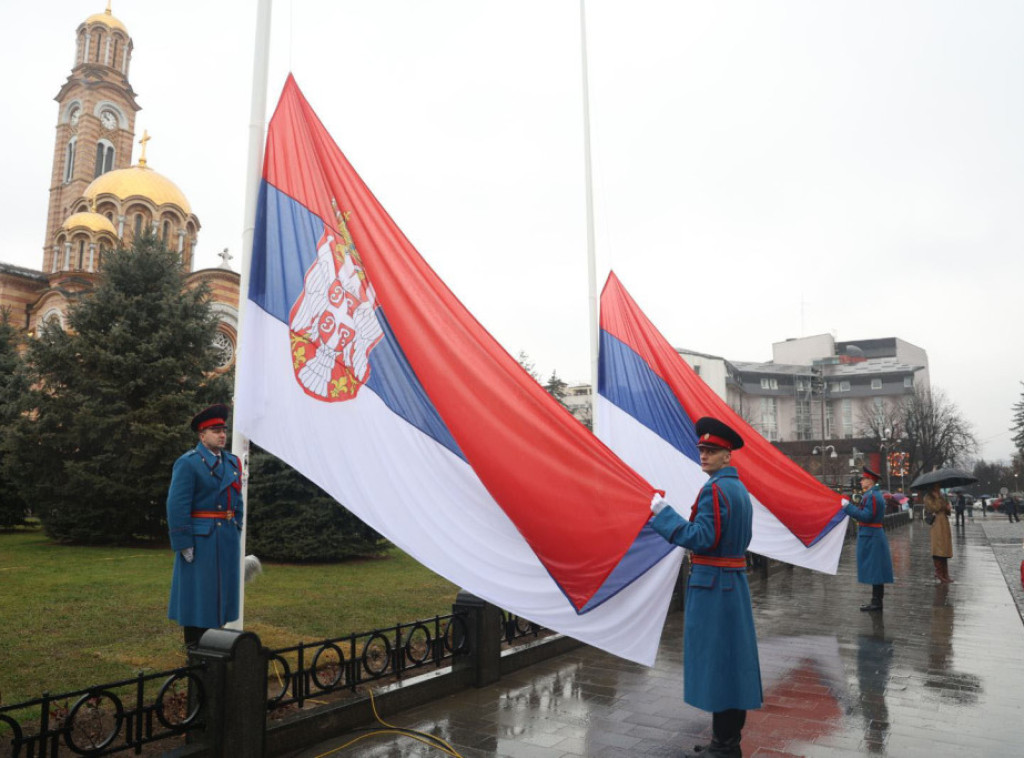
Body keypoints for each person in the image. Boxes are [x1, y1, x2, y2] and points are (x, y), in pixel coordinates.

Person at [650, 417, 762, 758]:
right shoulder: (738, 489)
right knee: (731, 664)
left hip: (714, 585)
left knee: (719, 666)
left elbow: (702, 537)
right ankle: (726, 741)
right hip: (731, 582)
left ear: (727, 455)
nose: (704, 455)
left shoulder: (715, 489)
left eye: (711, 450)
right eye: (702, 449)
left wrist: (664, 515)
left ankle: (724, 746)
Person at [167, 404, 244, 647]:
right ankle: (195, 647)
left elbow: (237, 500)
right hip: (201, 539)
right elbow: (177, 505)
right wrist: (183, 542)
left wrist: (237, 526)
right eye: (215, 431)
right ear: (202, 436)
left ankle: (215, 645)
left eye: (224, 430)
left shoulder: (232, 462)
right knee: (198, 595)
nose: (222, 435)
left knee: (221, 594)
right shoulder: (188, 463)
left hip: (226, 537)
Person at [842, 466, 894, 612]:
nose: (861, 481)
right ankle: (876, 601)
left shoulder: (872, 496)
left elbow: (866, 516)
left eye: (863, 479)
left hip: (872, 536)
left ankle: (876, 603)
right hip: (872, 535)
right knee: (876, 569)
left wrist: (848, 507)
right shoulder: (872, 495)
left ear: (870, 481)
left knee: (876, 570)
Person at [923, 484, 953, 583]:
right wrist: (938, 498)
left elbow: (947, 512)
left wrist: (948, 508)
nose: (939, 487)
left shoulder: (942, 496)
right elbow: (934, 508)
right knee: (938, 547)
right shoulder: (928, 497)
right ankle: (939, 572)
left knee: (945, 548)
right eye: (937, 485)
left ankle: (945, 573)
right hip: (936, 524)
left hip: (944, 523)